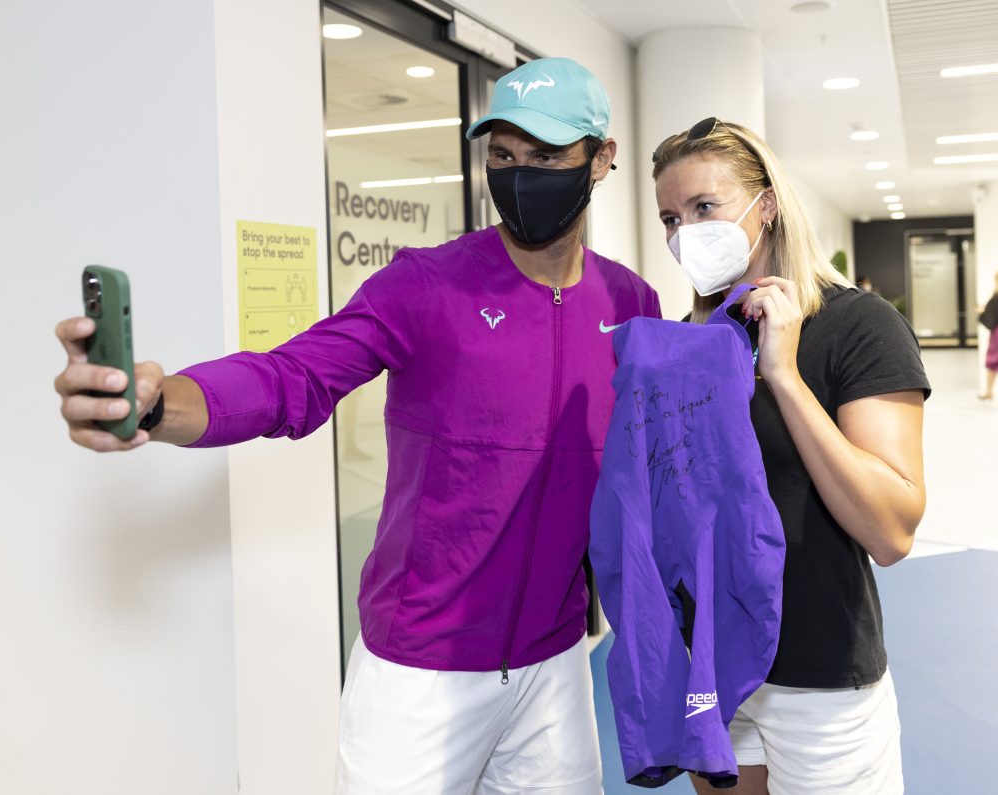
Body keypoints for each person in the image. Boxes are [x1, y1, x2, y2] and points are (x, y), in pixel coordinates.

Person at [54, 57, 661, 794]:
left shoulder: (631, 302)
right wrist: (157, 402)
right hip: (419, 672)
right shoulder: (425, 284)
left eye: (544, 156)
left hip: (554, 663)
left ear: (601, 159)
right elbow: (293, 376)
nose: (518, 174)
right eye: (501, 155)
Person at [650, 117, 930, 795]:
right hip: (711, 664)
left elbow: (890, 531)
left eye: (703, 207)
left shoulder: (856, 326)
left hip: (820, 673)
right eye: (668, 216)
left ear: (765, 204)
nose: (684, 231)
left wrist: (783, 374)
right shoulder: (686, 343)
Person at [977, 271, 998, 400]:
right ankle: (988, 391)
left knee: (992, 361)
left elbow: (991, 318)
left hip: (997, 334)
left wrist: (982, 311)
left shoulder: (996, 297)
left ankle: (988, 391)